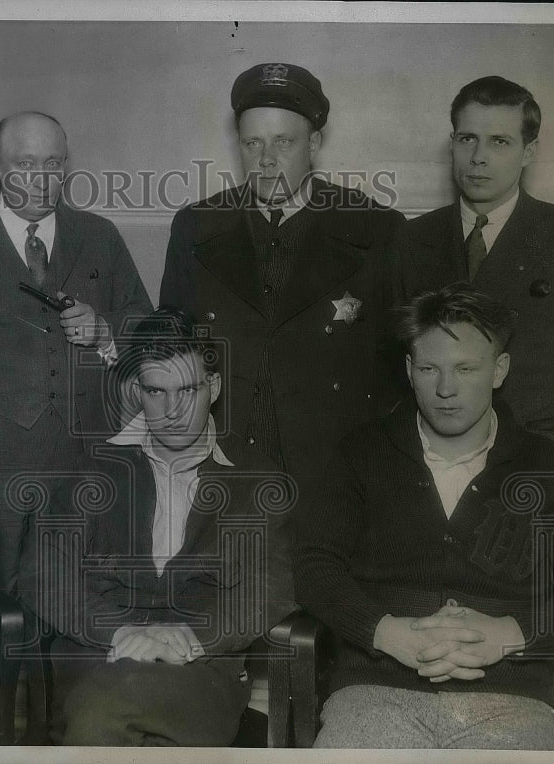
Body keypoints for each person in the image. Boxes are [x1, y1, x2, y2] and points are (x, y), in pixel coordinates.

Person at [293, 284, 554, 750]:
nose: (445, 389)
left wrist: (508, 635)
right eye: (429, 368)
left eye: (465, 369)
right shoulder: (362, 453)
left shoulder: (546, 466)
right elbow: (312, 567)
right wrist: (385, 631)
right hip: (376, 691)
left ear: (499, 370)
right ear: (409, 371)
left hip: (509, 701)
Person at [21, 308, 295, 746]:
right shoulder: (89, 468)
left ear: (215, 388)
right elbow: (45, 576)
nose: (172, 410)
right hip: (101, 656)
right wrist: (120, 631)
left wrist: (191, 636)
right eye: (156, 391)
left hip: (198, 667)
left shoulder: (255, 479)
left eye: (187, 390)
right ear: (137, 390)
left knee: (100, 717)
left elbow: (271, 588)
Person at [160, 62, 406, 503]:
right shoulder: (196, 226)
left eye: (283, 142)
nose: (267, 159)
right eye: (253, 143)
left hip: (335, 473)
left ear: (314, 143)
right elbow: (170, 351)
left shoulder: (375, 228)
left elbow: (399, 366)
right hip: (221, 466)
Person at [0, 111, 152, 591]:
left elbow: (147, 324)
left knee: (77, 592)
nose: (41, 181)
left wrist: (105, 330)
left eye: (54, 165)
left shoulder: (99, 235)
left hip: (86, 457)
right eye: (25, 164)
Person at [392, 76, 554, 447]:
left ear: (529, 151)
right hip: (429, 456)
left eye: (500, 141)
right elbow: (390, 361)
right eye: (468, 139)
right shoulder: (411, 239)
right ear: (452, 144)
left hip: (533, 452)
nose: (479, 157)